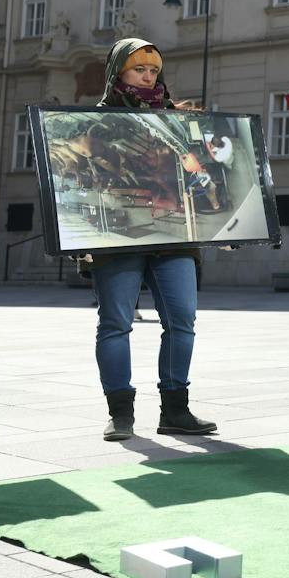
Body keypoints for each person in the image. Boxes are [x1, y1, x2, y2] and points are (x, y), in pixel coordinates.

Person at [89, 38, 217, 442]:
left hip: (174, 232)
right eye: (138, 70)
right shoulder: (95, 121)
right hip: (119, 232)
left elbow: (198, 177)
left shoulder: (176, 122)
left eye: (153, 71)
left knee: (182, 321)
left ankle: (175, 410)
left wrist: (202, 172)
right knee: (115, 323)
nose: (147, 77)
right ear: (118, 73)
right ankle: (120, 413)